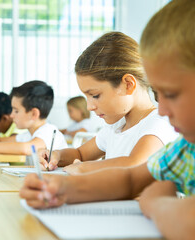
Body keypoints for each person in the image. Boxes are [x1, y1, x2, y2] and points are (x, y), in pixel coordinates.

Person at [20, 1, 195, 239]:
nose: (162, 109)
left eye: (172, 94)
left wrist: (155, 204)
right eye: (158, 93)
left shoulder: (159, 125)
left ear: (128, 84)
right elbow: (133, 179)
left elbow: (185, 221)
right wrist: (64, 189)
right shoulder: (185, 150)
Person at [39, 32, 178, 175]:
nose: (89, 107)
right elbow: (80, 154)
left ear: (128, 85)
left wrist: (84, 168)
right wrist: (57, 155)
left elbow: (135, 164)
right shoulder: (116, 126)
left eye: (95, 95)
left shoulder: (160, 123)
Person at [0, 80, 68, 155]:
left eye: (16, 110)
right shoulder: (28, 135)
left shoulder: (49, 131)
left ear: (34, 114)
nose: (11, 115)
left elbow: (25, 149)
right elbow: (0, 140)